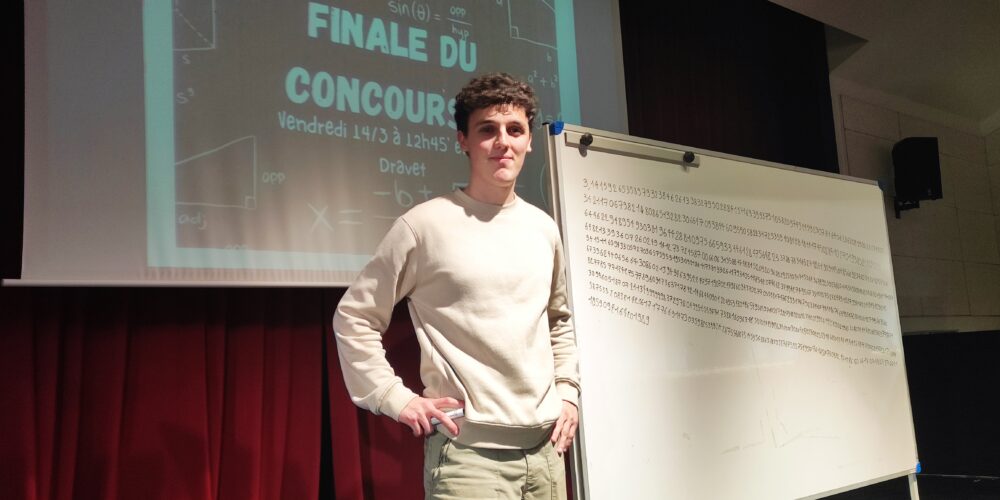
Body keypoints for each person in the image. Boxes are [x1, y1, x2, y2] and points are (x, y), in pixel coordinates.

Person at [332, 72, 581, 499]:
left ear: (529, 142)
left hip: (546, 456)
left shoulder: (544, 228)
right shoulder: (423, 226)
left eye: (515, 130)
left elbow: (558, 320)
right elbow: (354, 317)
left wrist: (569, 393)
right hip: (468, 461)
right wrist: (394, 396)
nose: (503, 142)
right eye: (487, 130)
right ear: (463, 140)